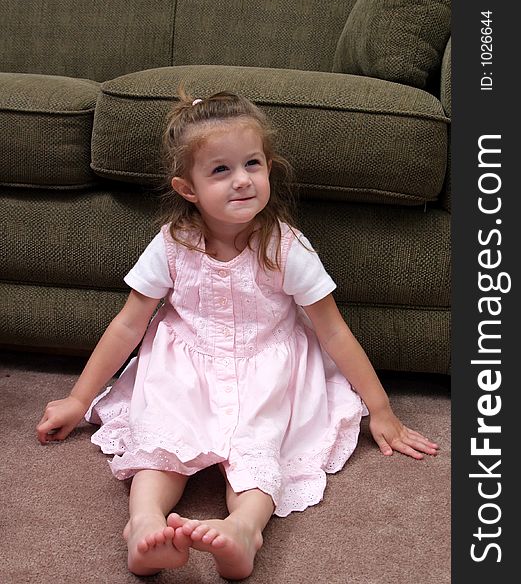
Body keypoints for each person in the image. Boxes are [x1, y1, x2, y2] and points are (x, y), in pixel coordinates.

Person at [37, 89, 438, 579]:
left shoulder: (285, 247)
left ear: (269, 167)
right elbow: (128, 323)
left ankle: (244, 529)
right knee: (162, 438)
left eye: (252, 163)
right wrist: (79, 400)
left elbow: (333, 332)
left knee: (259, 444)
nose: (243, 180)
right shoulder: (172, 244)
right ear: (188, 188)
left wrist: (381, 410)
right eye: (221, 170)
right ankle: (143, 525)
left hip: (269, 366)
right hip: (184, 365)